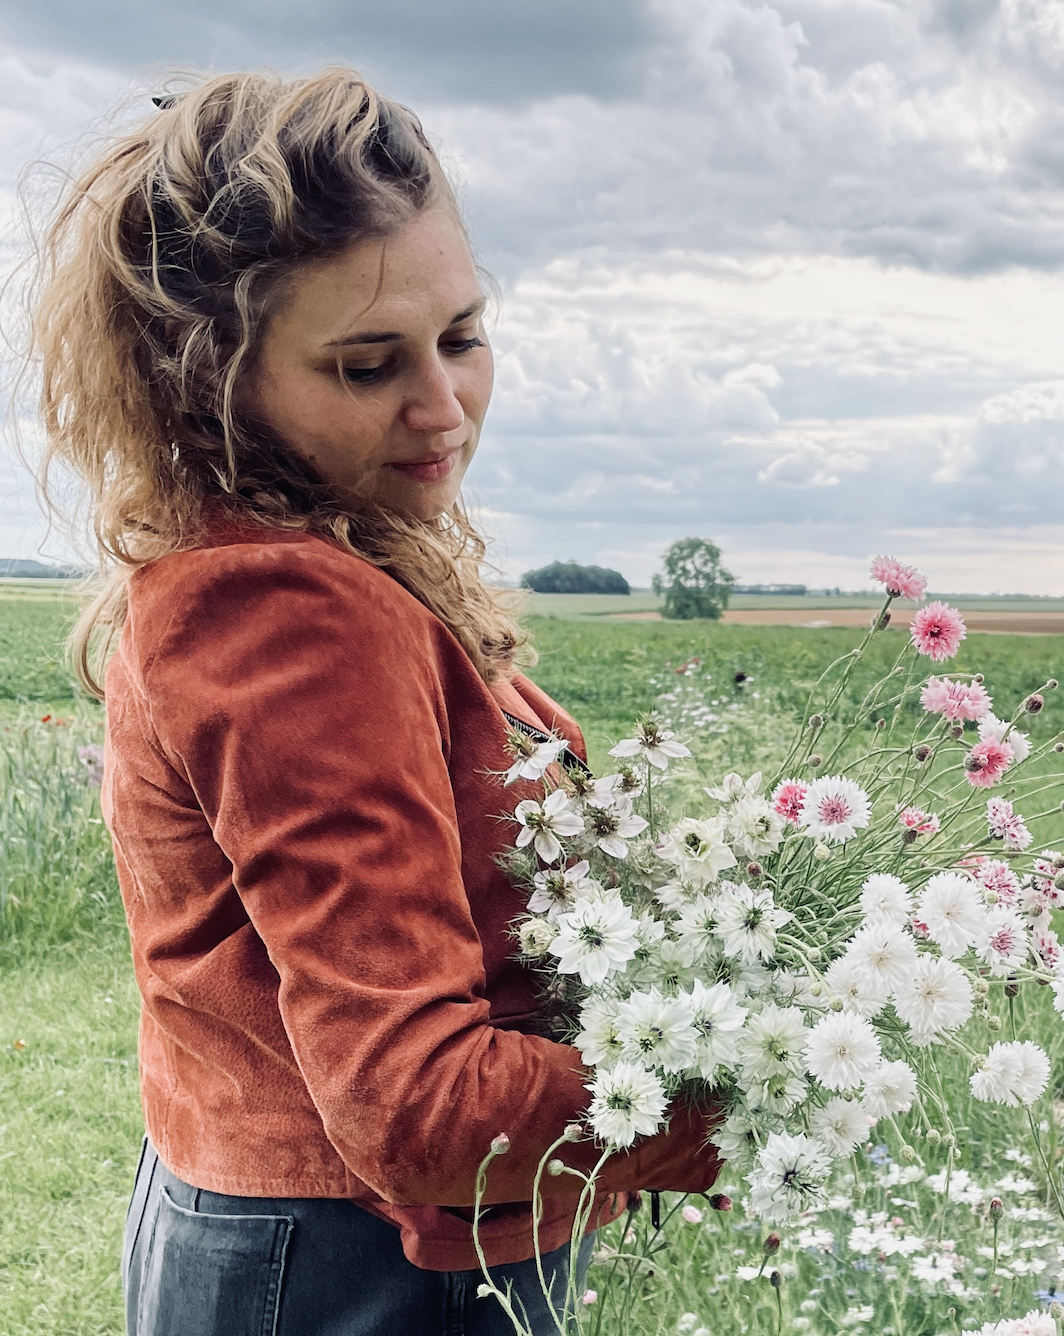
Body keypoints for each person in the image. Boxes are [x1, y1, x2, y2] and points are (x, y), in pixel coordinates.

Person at [27, 69, 719, 1335]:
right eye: (365, 364)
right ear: (211, 379)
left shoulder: (310, 550)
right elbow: (418, 1102)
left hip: (290, 1241)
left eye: (463, 335)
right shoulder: (287, 610)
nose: (443, 406)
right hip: (353, 1273)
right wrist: (718, 1087)